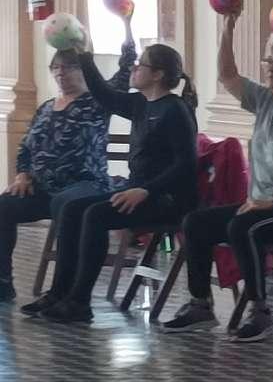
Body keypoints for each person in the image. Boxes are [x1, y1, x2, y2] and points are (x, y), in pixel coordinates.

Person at [162, 6, 273, 339]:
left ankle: (260, 312)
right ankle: (200, 305)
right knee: (196, 222)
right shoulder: (267, 100)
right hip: (264, 203)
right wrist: (229, 26)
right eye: (269, 61)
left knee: (244, 227)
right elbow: (227, 75)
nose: (271, 67)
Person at [22, 44, 199, 324]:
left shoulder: (175, 110)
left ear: (158, 74)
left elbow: (186, 165)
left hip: (167, 199)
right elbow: (103, 95)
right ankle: (58, 292)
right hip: (137, 191)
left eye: (141, 64)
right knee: (72, 209)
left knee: (95, 215)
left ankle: (79, 301)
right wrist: (85, 57)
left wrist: (146, 190)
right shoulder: (140, 103)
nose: (135, 68)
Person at [0, 14, 137, 302]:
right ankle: (3, 281)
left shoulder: (98, 101)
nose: (62, 73)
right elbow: (26, 149)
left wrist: (126, 24)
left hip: (85, 185)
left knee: (66, 204)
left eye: (69, 67)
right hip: (43, 188)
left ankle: (62, 290)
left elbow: (126, 66)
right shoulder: (46, 108)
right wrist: (23, 175)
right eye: (57, 68)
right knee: (3, 205)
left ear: (83, 70)